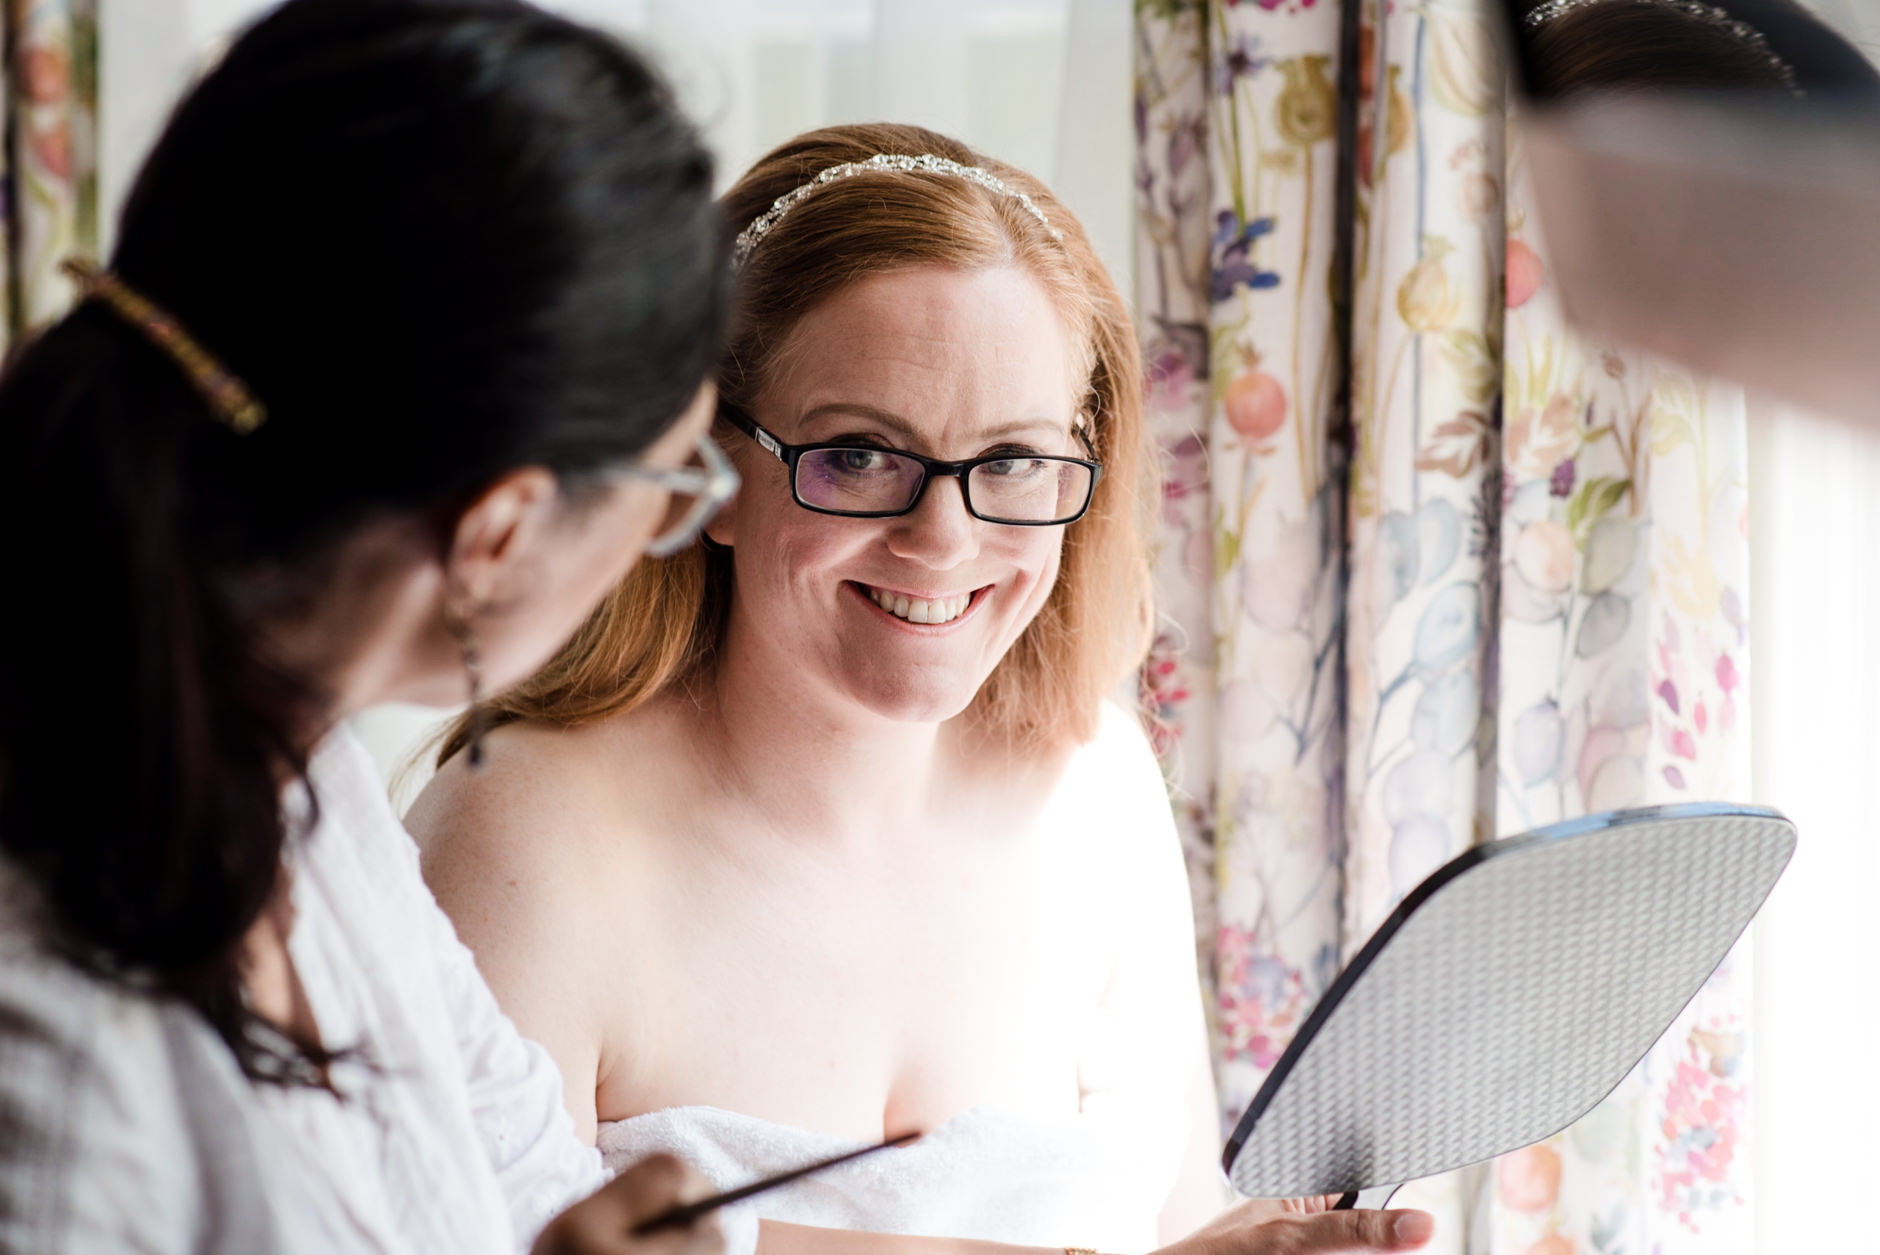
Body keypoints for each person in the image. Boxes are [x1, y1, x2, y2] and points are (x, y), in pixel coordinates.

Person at [410, 123, 1435, 1255]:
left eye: (1008, 462)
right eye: (857, 454)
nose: (942, 540)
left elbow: (1175, 1223)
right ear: (708, 474)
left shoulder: (1095, 785)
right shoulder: (520, 836)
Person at [0, 1, 743, 1251]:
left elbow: (521, 1165)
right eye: (672, 486)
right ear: (498, 532)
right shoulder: (58, 1048)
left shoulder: (310, 790)